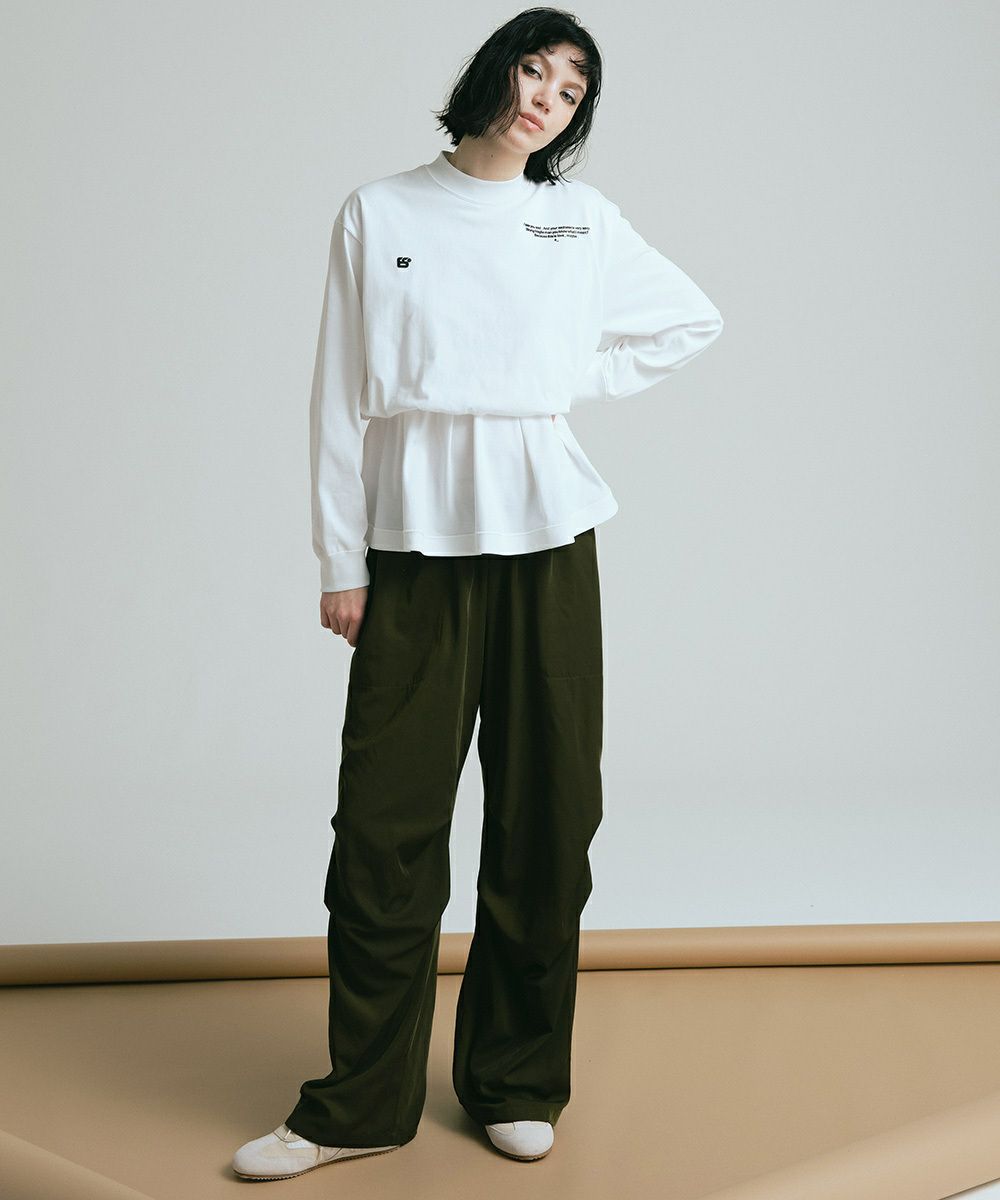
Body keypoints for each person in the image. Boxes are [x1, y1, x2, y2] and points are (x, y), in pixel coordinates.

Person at [232, 5, 723, 1181]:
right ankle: (359, 1104)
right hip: (410, 550)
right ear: (494, 72)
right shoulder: (381, 209)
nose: (545, 95)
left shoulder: (578, 218)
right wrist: (341, 560)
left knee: (548, 818)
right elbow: (336, 394)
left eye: (571, 89)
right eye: (533, 69)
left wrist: (555, 375)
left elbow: (689, 320)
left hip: (548, 541)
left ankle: (513, 1078)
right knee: (384, 832)